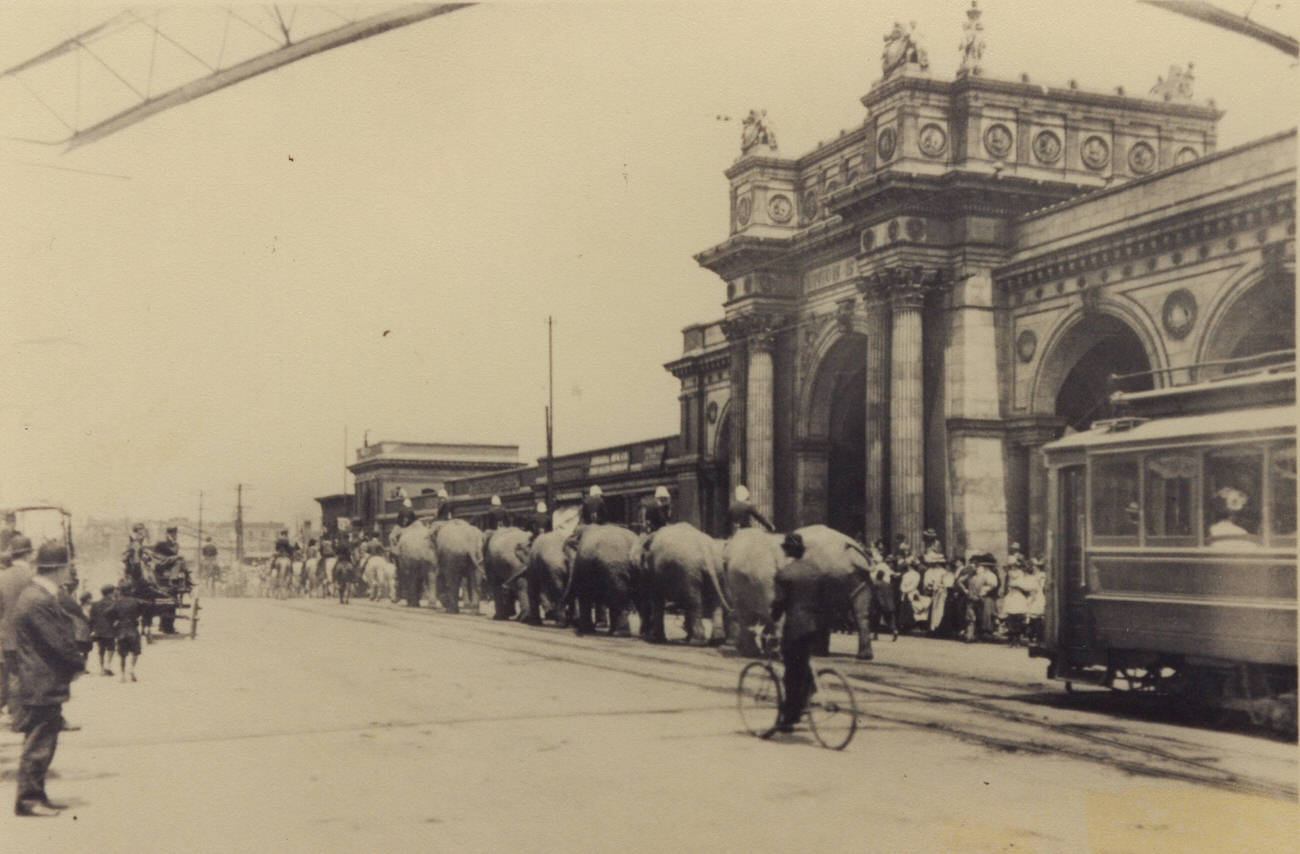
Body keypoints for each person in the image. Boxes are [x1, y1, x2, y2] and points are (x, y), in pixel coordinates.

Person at [12, 539, 83, 816]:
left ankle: (36, 795)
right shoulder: (39, 600)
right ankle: (29, 800)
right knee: (38, 745)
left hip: (39, 681)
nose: (69, 572)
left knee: (43, 741)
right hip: (41, 682)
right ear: (58, 568)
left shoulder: (35, 595)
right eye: (67, 567)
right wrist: (77, 663)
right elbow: (59, 641)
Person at [768, 533, 835, 733]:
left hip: (796, 628)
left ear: (787, 550)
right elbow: (825, 598)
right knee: (803, 665)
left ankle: (790, 717)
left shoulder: (784, 574)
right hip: (817, 625)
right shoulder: (815, 571)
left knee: (791, 673)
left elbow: (779, 604)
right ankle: (806, 697)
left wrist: (771, 620)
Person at [0, 536, 35, 719]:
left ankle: (16, 715)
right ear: (29, 554)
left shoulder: (2, 577)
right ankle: (24, 717)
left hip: (8, 637)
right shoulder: (34, 577)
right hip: (32, 636)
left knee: (13, 674)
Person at [107, 583, 143, 683]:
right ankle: (131, 669)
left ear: (121, 591)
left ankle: (122, 675)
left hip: (121, 629)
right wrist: (137, 616)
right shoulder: (136, 601)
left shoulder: (117, 602)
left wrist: (114, 621)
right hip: (133, 629)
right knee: (135, 651)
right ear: (130, 590)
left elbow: (107, 612)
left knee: (122, 654)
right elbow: (145, 606)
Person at [88, 586, 116, 676]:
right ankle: (108, 665)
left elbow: (91, 619)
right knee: (111, 648)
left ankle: (101, 669)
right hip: (110, 630)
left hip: (98, 630)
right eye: (113, 592)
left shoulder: (95, 604)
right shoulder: (113, 603)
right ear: (109, 593)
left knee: (101, 650)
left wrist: (91, 630)